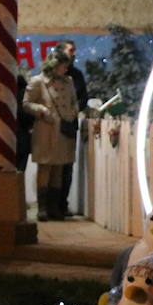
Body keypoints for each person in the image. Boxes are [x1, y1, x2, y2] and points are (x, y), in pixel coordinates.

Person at [23, 49, 79, 222]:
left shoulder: (69, 82)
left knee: (59, 168)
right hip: (46, 130)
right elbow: (26, 103)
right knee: (45, 167)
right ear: (54, 66)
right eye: (63, 66)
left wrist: (72, 113)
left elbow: (74, 102)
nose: (65, 70)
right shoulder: (38, 81)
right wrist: (40, 110)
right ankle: (43, 208)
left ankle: (55, 207)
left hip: (63, 130)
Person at [58, 39, 88, 218]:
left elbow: (83, 97)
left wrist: (73, 110)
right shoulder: (51, 76)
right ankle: (49, 204)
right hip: (53, 126)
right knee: (53, 167)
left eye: (74, 50)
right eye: (71, 50)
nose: (74, 54)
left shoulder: (77, 75)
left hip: (70, 125)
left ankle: (63, 203)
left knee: (67, 166)